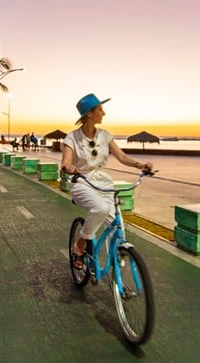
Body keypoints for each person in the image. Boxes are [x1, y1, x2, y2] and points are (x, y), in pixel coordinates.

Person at [61, 93, 153, 269]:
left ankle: (115, 269)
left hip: (103, 182)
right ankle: (79, 246)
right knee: (101, 208)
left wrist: (140, 165)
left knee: (115, 225)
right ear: (89, 114)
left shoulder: (105, 135)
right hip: (81, 181)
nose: (104, 113)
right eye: (100, 109)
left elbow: (122, 157)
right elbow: (65, 161)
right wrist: (69, 167)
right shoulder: (72, 138)